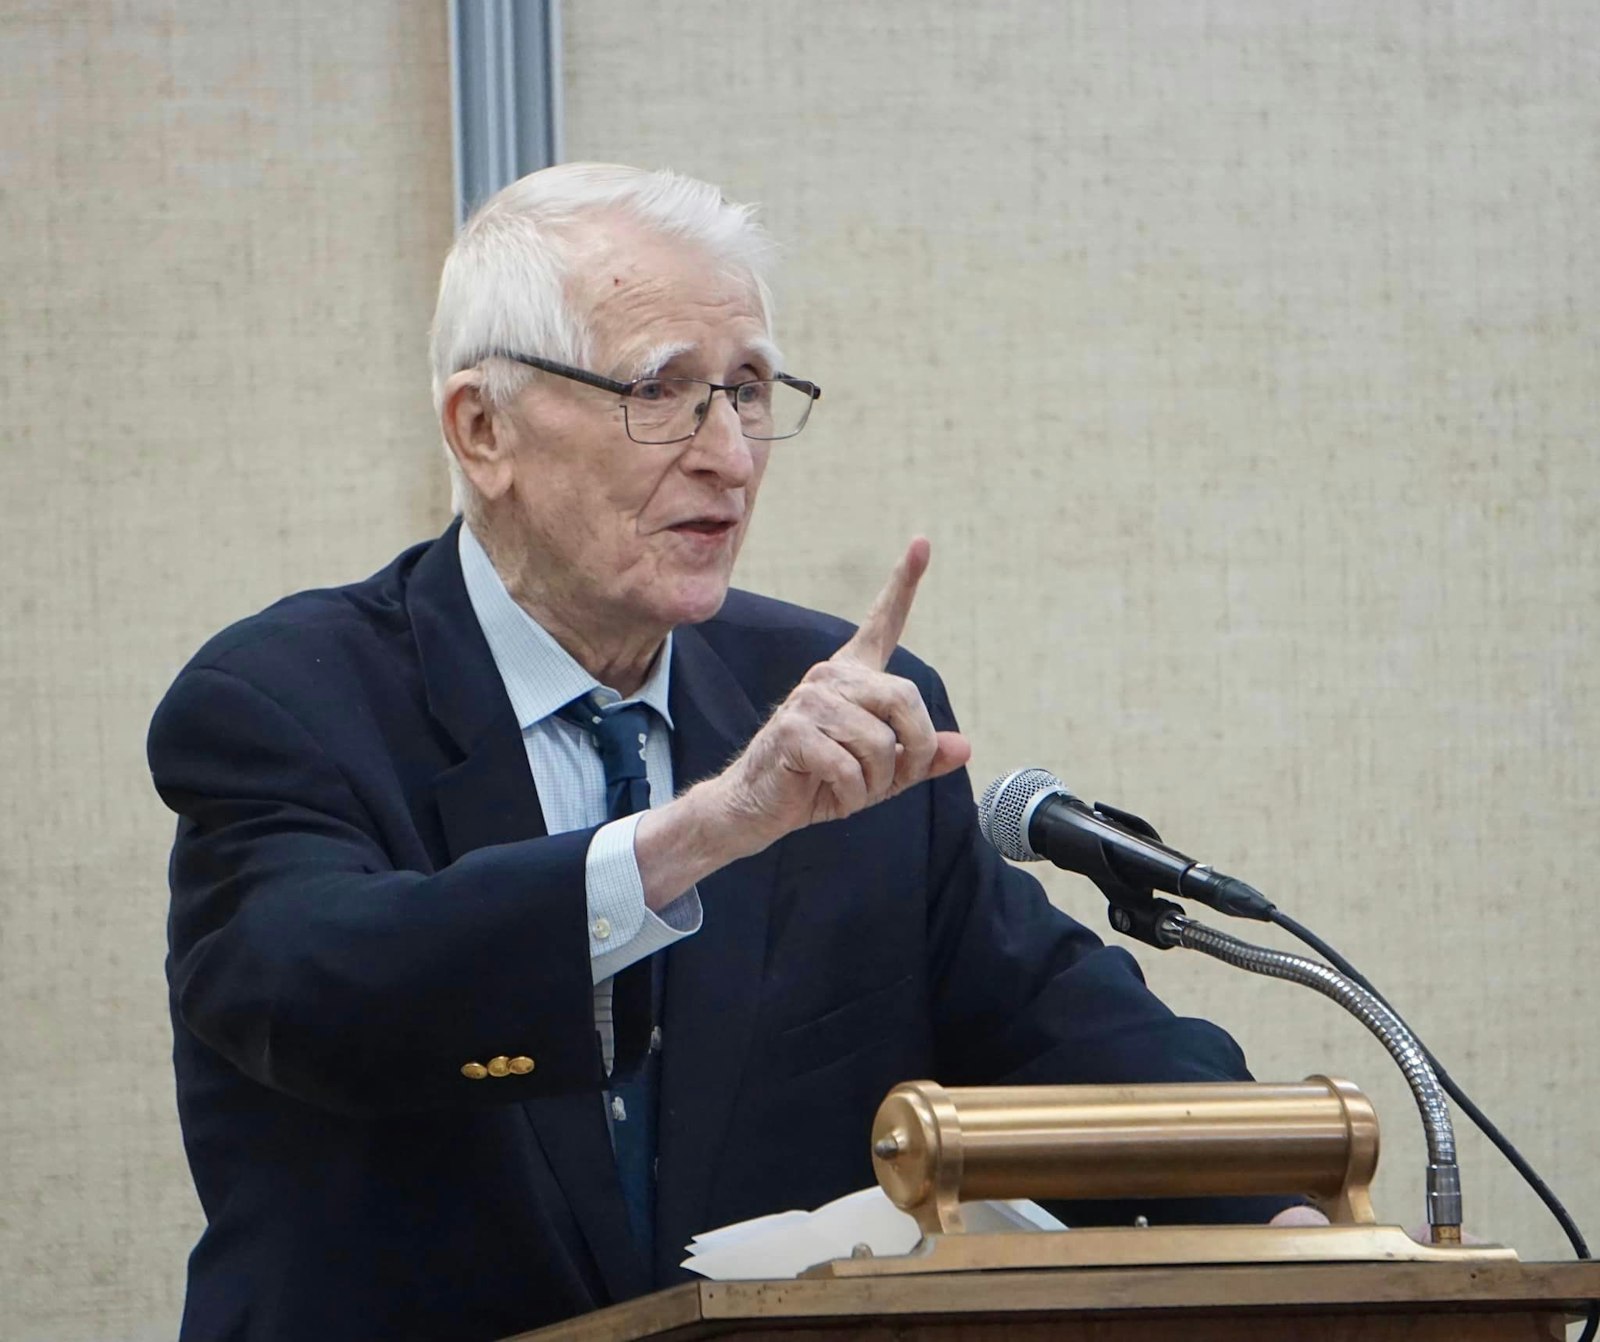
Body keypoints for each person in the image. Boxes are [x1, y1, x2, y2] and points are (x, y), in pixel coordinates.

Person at [149, 163, 1295, 1342]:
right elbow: (313, 995)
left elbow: (1057, 1027)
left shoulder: (832, 702)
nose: (730, 456)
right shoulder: (282, 700)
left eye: (747, 390)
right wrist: (703, 830)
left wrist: (1290, 1218)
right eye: (660, 390)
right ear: (482, 430)